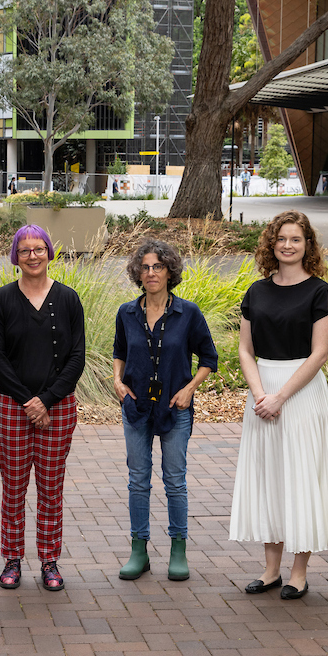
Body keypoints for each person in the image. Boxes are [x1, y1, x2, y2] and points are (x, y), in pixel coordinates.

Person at [229, 210, 328, 601]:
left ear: (307, 245)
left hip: (300, 393)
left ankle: (299, 572)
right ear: (271, 244)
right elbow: (245, 349)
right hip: (261, 392)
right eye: (282, 239)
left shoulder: (320, 292)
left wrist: (280, 396)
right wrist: (261, 393)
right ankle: (271, 570)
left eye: (296, 239)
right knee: (269, 479)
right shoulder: (256, 291)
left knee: (300, 477)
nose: (288, 245)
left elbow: (319, 354)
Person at [0, 225, 86, 591]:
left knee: (50, 487)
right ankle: (12, 557)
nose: (32, 256)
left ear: (49, 252)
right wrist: (29, 402)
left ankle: (49, 560)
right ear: (16, 256)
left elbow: (77, 357)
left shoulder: (68, 299)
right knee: (13, 487)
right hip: (12, 407)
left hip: (57, 408)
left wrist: (46, 399)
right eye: (24, 250)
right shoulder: (2, 300)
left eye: (39, 248)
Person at [113, 239, 218, 582]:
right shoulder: (127, 313)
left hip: (175, 407)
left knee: (175, 480)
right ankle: (139, 550)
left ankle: (178, 549)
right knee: (138, 480)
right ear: (137, 273)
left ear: (170, 271)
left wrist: (190, 389)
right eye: (145, 267)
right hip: (137, 407)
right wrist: (117, 382)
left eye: (158, 266)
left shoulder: (188, 313)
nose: (151, 272)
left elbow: (208, 358)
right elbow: (119, 351)